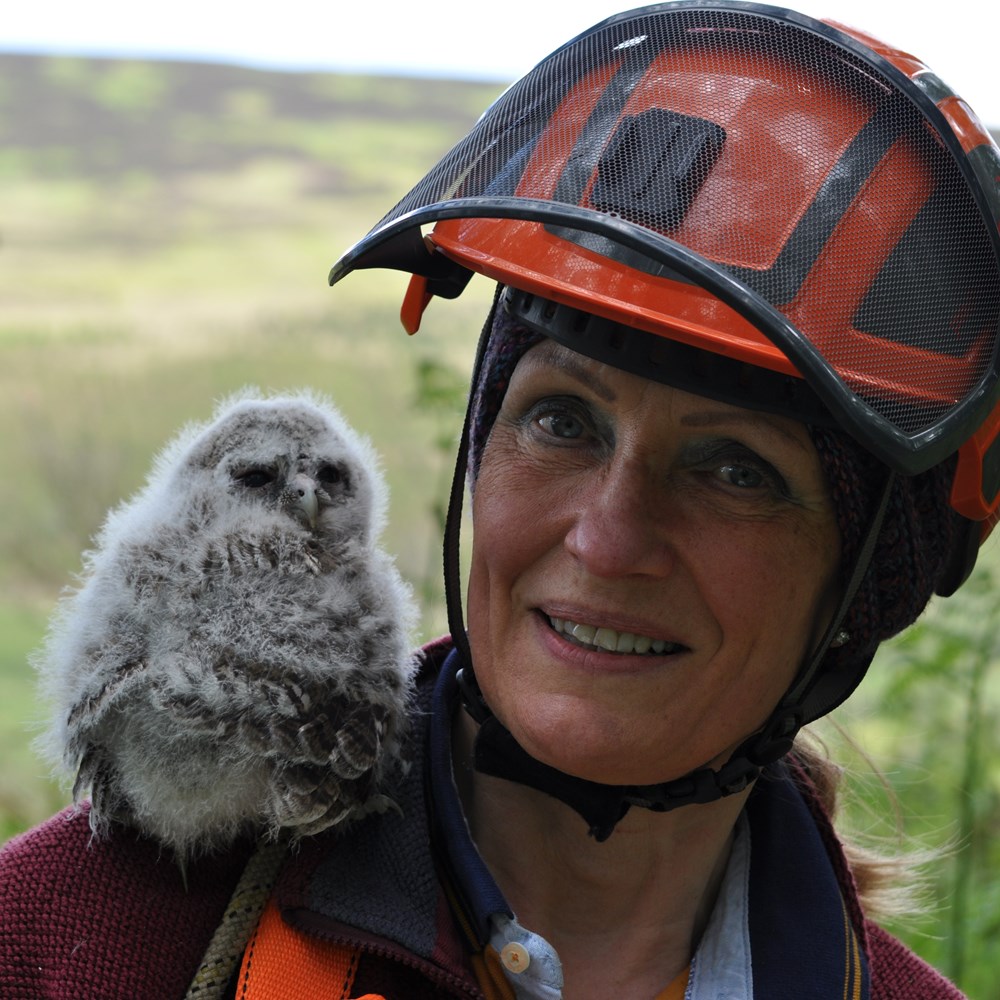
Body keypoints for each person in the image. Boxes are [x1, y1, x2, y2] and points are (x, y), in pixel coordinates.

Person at [2, 3, 998, 998]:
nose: (606, 540)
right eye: (561, 420)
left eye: (734, 470)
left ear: (868, 585)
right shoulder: (69, 939)